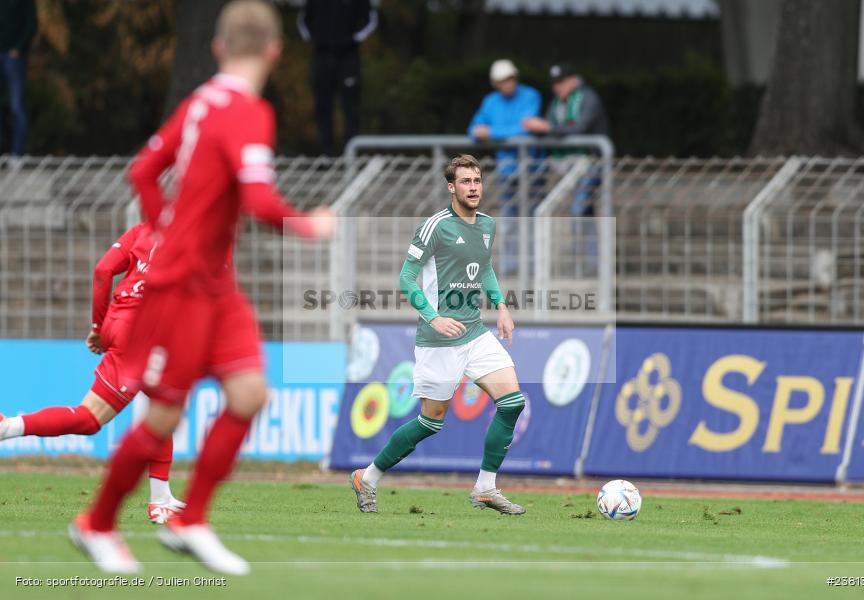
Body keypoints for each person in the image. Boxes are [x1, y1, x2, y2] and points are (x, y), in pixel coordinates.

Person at [68, 0, 334, 575]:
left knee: (249, 394)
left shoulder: (198, 103)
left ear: (217, 47)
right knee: (163, 416)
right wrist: (309, 224)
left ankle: (191, 520)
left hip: (215, 284)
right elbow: (260, 201)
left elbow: (142, 170)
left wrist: (163, 223)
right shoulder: (247, 112)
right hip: (183, 285)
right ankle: (96, 523)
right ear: (275, 51)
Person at [350, 154, 527, 516]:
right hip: (439, 341)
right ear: (452, 187)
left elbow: (485, 268)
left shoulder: (488, 225)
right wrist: (433, 317)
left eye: (477, 180)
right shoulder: (435, 227)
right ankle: (367, 477)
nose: (474, 187)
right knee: (431, 422)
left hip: (475, 332)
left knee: (513, 403)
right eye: (466, 181)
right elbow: (405, 279)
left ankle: (485, 488)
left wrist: (502, 307)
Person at [0, 223, 184, 524]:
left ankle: (161, 497)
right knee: (99, 417)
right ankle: (158, 500)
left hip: (119, 319)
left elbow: (103, 270)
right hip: (147, 329)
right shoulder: (202, 232)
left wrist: (99, 327)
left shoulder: (143, 228)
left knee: (156, 403)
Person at [524, 63, 610, 277]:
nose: (557, 87)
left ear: (573, 79)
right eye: (554, 83)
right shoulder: (556, 103)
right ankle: (592, 266)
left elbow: (580, 127)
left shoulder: (588, 97)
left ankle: (585, 267)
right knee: (584, 213)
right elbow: (549, 126)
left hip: (589, 162)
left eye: (561, 82)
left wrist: (548, 128)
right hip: (564, 165)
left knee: (578, 212)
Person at [468, 59, 542, 276]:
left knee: (531, 219)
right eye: (503, 80)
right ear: (495, 83)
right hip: (507, 170)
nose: (508, 83)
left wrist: (492, 132)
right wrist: (503, 131)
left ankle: (532, 267)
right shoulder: (491, 101)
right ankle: (511, 267)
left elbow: (526, 129)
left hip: (532, 168)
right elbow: (474, 130)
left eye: (510, 78)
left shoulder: (530, 95)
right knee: (509, 222)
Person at [298, 0, 377, 156]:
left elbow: (370, 19)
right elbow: (304, 19)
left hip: (348, 58)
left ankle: (350, 154)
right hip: (321, 56)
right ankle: (326, 154)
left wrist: (352, 39)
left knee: (350, 107)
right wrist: (316, 39)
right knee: (322, 105)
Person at [0, 0, 37, 156]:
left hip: (13, 56)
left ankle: (18, 153)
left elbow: (31, 24)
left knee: (17, 105)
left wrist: (19, 48)